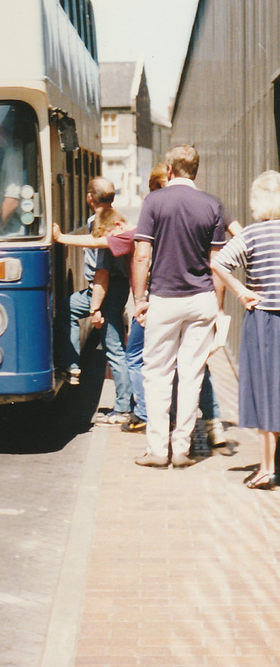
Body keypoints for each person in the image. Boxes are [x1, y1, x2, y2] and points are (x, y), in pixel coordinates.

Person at [132, 145, 226, 469]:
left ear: (169, 170)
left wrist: (140, 298)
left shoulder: (154, 202)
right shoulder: (212, 205)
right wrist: (219, 306)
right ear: (195, 171)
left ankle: (158, 450)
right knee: (191, 376)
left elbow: (142, 255)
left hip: (164, 299)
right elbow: (218, 263)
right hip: (202, 300)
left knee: (157, 374)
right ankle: (183, 448)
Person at [212, 170, 280, 489]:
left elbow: (219, 263)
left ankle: (267, 468)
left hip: (265, 321)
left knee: (267, 394)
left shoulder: (251, 235)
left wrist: (240, 291)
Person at [54, 177, 131, 421]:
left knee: (114, 347)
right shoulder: (115, 218)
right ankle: (72, 366)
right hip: (113, 288)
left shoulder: (99, 222)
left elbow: (102, 271)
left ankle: (123, 408)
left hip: (106, 289)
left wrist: (96, 307)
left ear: (89, 197)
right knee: (66, 308)